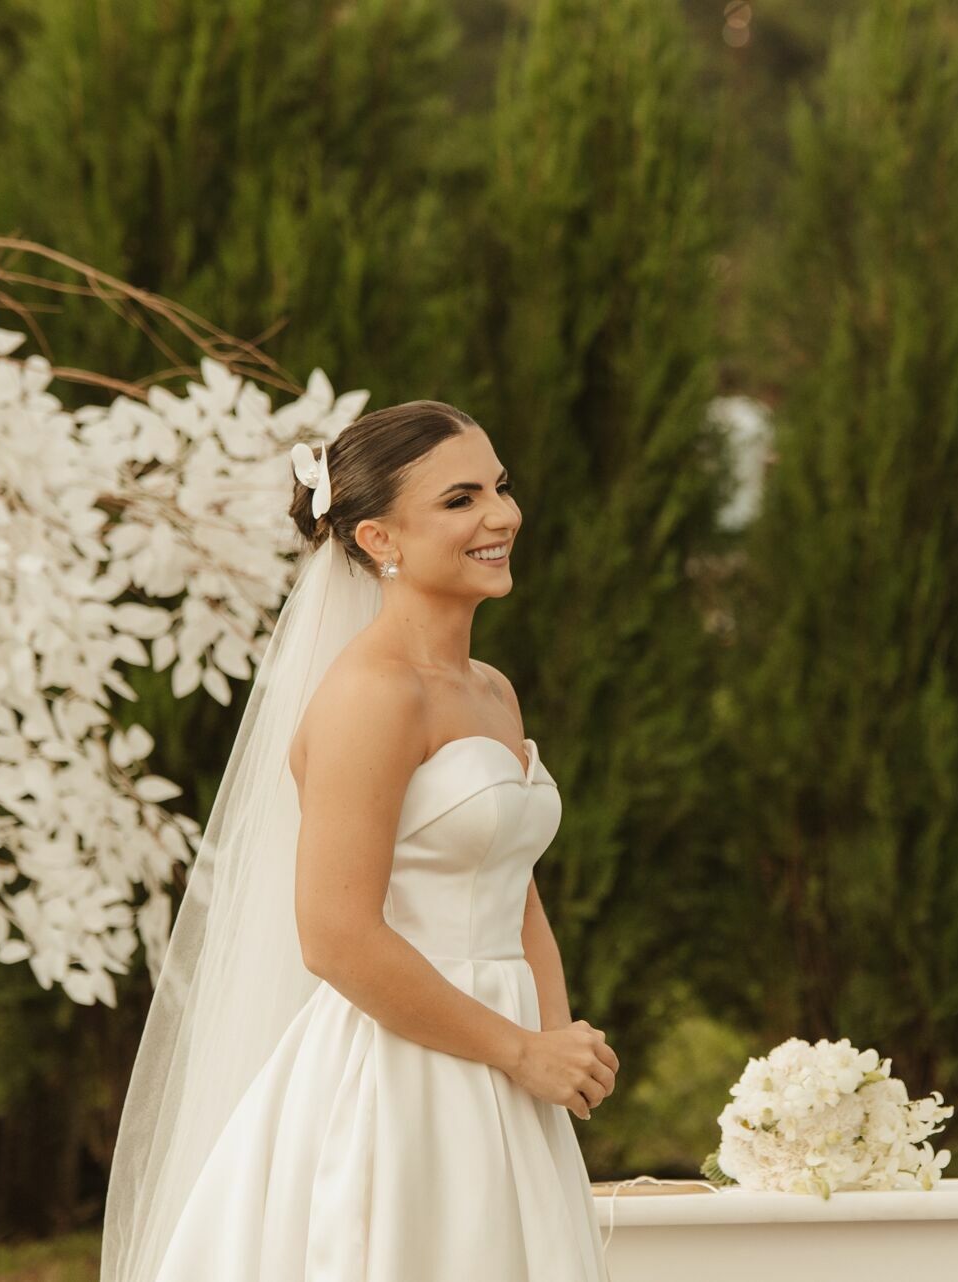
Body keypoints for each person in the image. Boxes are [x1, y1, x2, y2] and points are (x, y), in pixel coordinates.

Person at [101, 401, 617, 1282]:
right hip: (402, 1072)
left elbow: (513, 884)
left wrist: (557, 1037)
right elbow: (336, 935)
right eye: (459, 500)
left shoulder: (491, 689)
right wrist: (520, 1048)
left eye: (500, 486)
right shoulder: (372, 695)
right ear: (380, 539)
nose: (500, 516)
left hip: (505, 1063)